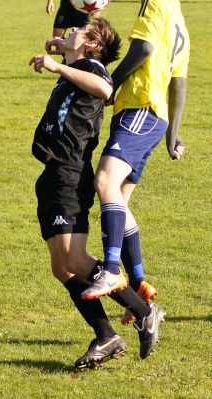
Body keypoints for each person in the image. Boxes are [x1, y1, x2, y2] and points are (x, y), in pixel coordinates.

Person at [29, 18, 166, 370]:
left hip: (69, 174)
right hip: (52, 174)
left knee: (74, 261)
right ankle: (106, 336)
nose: (72, 30)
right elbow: (74, 59)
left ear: (91, 46)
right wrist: (61, 48)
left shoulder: (94, 69)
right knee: (62, 268)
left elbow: (105, 88)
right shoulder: (78, 64)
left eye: (81, 31)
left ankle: (143, 310)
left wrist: (60, 61)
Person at [81, 0, 190, 320]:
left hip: (139, 109)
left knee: (104, 181)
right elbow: (179, 82)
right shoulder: (180, 20)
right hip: (153, 118)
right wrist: (172, 136)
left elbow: (141, 50)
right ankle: (141, 286)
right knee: (118, 202)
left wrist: (112, 80)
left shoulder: (154, 3)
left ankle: (112, 269)